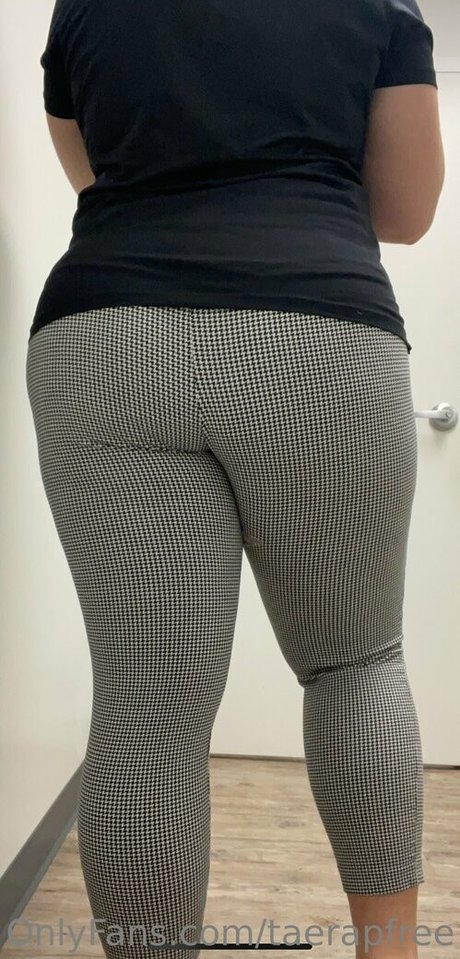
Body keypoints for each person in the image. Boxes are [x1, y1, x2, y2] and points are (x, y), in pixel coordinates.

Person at [25, 2, 445, 958]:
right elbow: (407, 209)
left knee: (145, 704)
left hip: (104, 335)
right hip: (315, 324)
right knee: (355, 664)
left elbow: (93, 169)